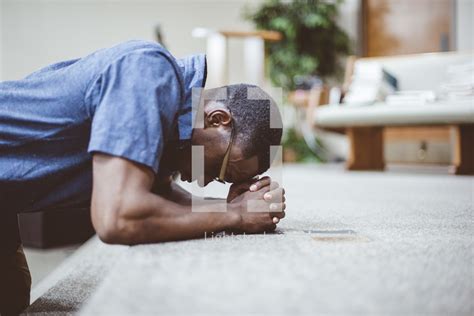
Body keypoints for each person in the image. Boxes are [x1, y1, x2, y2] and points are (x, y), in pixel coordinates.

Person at [0, 40, 286, 314]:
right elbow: (119, 217)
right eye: (223, 171)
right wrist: (234, 214)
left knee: (12, 294)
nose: (206, 181)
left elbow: (159, 194)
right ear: (217, 119)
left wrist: (235, 206)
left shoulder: (172, 121)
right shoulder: (147, 71)